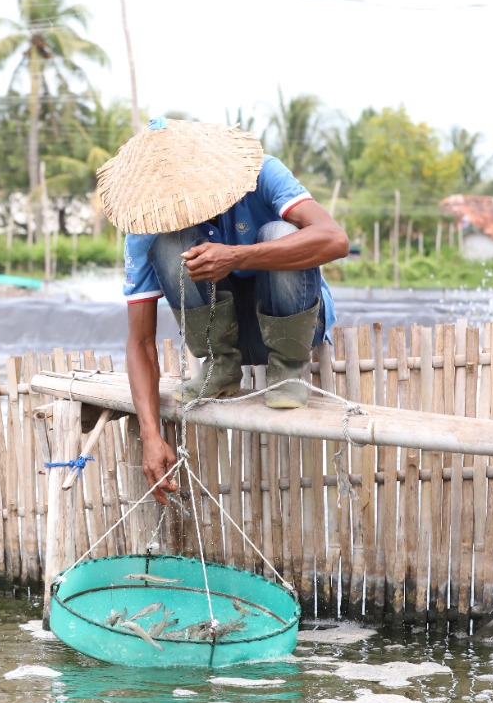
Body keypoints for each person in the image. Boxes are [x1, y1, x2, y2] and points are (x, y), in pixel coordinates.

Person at [96, 118, 349, 503]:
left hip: (292, 324)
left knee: (280, 232)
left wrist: (236, 257)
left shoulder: (263, 172)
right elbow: (140, 340)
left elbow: (335, 239)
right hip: (222, 333)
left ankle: (288, 367)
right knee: (169, 245)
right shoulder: (149, 224)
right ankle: (220, 367)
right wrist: (151, 434)